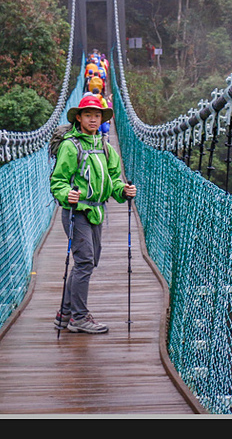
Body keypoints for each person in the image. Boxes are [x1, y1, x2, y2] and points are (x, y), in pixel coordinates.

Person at [50, 93, 136, 334]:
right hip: (76, 212)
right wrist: (67, 194)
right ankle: (79, 317)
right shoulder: (70, 145)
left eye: (97, 115)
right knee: (85, 261)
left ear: (102, 119)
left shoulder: (106, 148)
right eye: (88, 115)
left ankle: (65, 313)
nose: (93, 120)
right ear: (79, 118)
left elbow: (115, 182)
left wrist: (125, 191)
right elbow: (58, 180)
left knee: (87, 262)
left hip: (97, 212)